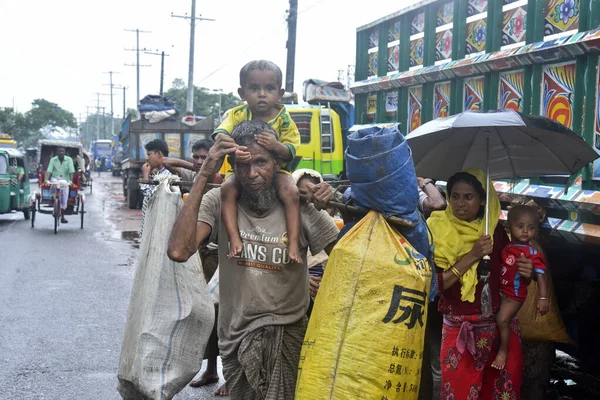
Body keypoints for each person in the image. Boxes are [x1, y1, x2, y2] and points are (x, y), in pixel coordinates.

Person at [168, 120, 339, 400]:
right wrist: (204, 174)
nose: (252, 173)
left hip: (288, 334)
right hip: (234, 338)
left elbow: (345, 259)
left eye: (261, 162)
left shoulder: (300, 204)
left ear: (277, 162)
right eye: (242, 165)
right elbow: (178, 251)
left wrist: (333, 197)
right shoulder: (218, 201)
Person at [427, 170, 533, 399]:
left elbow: (507, 275)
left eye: (468, 197)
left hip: (498, 330)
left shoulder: (493, 231)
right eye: (455, 196)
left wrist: (525, 272)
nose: (460, 204)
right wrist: (472, 255)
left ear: (483, 199)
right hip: (460, 332)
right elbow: (435, 285)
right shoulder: (436, 229)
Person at [212, 60, 302, 263]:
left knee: (292, 192)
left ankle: (294, 242)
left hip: (276, 172)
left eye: (269, 88)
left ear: (279, 93)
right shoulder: (237, 115)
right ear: (242, 93)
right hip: (242, 169)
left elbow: (291, 150)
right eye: (254, 88)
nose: (262, 94)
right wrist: (236, 150)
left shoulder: (284, 119)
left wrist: (276, 146)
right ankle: (234, 239)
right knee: (227, 189)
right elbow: (221, 135)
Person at [492, 205, 548, 370]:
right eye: (520, 226)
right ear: (509, 228)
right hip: (503, 292)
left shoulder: (532, 252)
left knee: (502, 320)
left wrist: (543, 298)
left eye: (530, 228)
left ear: (536, 232)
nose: (525, 231)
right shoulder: (507, 246)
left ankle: (503, 351)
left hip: (514, 296)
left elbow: (541, 277)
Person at [139, 139, 172, 237]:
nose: (147, 159)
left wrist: (145, 174)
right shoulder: (159, 173)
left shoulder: (167, 174)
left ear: (158, 154)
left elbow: (149, 196)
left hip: (157, 231)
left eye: (149, 154)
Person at [46, 147, 75, 224]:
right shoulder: (53, 160)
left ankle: (62, 216)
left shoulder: (69, 160)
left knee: (64, 198)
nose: (61, 152)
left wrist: (71, 181)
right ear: (57, 152)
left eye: (62, 151)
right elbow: (49, 171)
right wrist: (47, 180)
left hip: (65, 181)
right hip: (55, 179)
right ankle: (55, 203)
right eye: (59, 151)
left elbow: (71, 171)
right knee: (54, 187)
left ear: (65, 152)